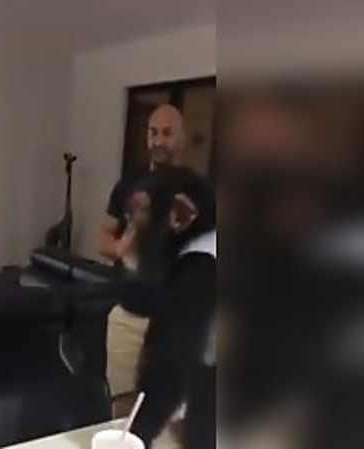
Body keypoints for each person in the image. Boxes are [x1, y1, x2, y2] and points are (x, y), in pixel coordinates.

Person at [101, 105, 187, 416]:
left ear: (182, 138)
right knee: (122, 411)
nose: (158, 140)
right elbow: (103, 239)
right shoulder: (128, 184)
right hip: (128, 317)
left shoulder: (197, 191)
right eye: (153, 132)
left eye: (167, 133)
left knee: (167, 411)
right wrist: (123, 246)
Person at [126, 168, 216, 449]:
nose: (134, 222)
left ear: (180, 215)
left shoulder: (200, 267)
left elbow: (170, 364)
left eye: (143, 211)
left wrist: (137, 435)